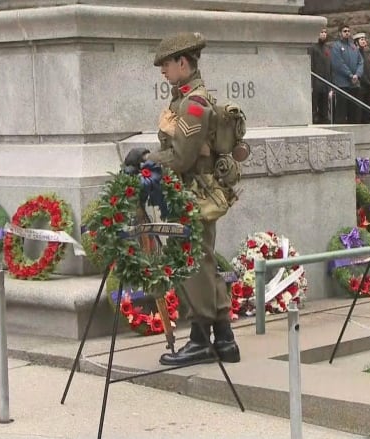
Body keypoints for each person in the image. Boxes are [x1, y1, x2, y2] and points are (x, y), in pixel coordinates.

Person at [127, 32, 240, 367]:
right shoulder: (185, 100)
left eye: (166, 63)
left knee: (192, 264)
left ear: (183, 63)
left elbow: (181, 158)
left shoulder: (193, 104)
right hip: (190, 192)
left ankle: (201, 339)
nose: (162, 69)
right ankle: (225, 340)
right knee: (201, 260)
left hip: (194, 194)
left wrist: (146, 157)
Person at [309, 27, 332, 124]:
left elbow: (330, 66)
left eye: (325, 32)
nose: (323, 34)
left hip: (325, 81)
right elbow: (311, 64)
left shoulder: (327, 48)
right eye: (321, 32)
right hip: (316, 81)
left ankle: (324, 118)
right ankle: (315, 117)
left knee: (324, 103)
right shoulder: (313, 48)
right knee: (315, 102)